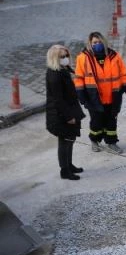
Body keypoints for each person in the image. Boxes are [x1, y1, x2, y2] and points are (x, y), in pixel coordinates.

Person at [74, 31, 126, 154]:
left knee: (111, 120)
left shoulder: (114, 56)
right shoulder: (83, 58)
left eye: (100, 41)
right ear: (90, 43)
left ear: (104, 42)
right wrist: (81, 96)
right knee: (97, 121)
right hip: (94, 97)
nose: (97, 44)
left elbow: (123, 74)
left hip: (113, 96)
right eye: (95, 42)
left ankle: (111, 142)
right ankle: (95, 140)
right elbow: (79, 78)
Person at [46, 44, 85, 180]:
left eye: (67, 55)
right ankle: (65, 171)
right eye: (62, 56)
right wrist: (68, 117)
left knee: (70, 139)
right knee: (65, 141)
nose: (66, 58)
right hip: (61, 115)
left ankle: (69, 165)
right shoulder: (55, 76)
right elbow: (58, 100)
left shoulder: (62, 70)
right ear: (55, 58)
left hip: (69, 110)